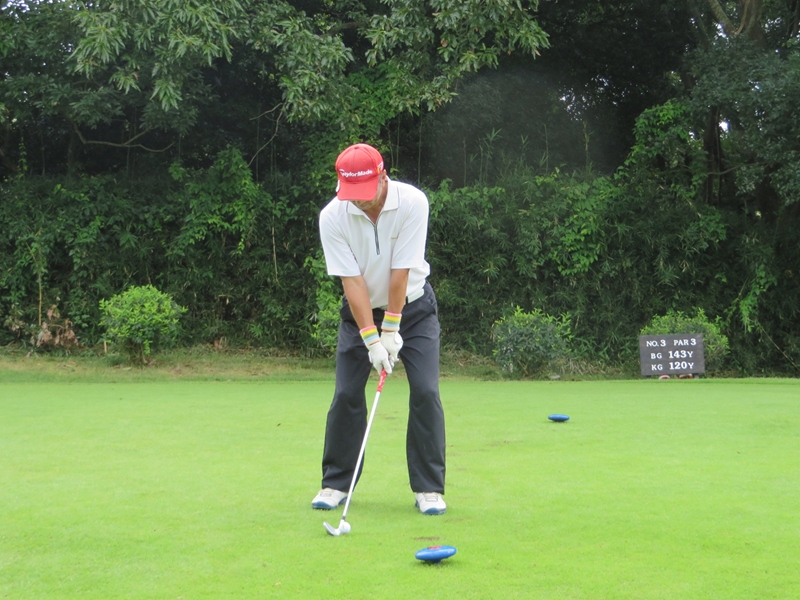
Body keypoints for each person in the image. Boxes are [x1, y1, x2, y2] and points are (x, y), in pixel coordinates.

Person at [311, 143, 447, 515]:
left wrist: (392, 329)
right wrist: (372, 340)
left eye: (365, 191)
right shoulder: (333, 216)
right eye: (352, 193)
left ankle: (429, 489)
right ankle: (336, 484)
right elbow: (352, 282)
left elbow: (401, 272)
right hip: (360, 313)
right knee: (346, 394)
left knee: (425, 391)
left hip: (414, 309)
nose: (360, 201)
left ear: (383, 177)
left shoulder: (412, 203)